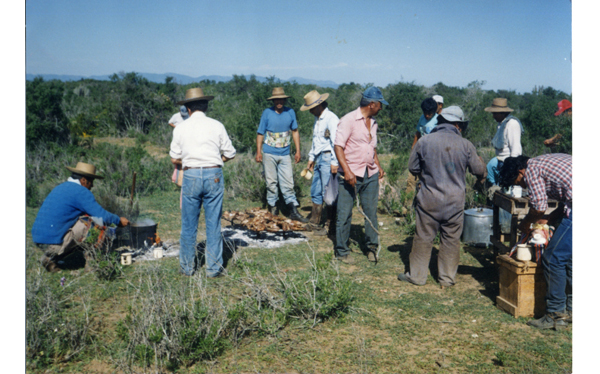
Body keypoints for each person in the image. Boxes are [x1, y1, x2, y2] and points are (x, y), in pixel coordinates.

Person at [397, 106, 486, 288]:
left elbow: (413, 168)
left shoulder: (424, 141)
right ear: (458, 125)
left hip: (429, 199)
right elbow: (479, 170)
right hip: (454, 202)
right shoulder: (466, 145)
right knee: (451, 240)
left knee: (423, 237)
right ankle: (446, 279)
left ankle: (418, 276)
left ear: (440, 122)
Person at [499, 154, 572, 330]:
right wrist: (548, 218)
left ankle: (555, 313)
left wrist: (526, 224)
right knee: (569, 259)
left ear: (520, 171)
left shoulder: (532, 170)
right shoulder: (544, 162)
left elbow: (538, 206)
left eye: (518, 182)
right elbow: (564, 200)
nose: (522, 186)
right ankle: (571, 310)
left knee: (552, 259)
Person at [170, 87, 236, 277]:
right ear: (205, 106)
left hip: (190, 175)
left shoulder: (181, 128)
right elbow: (230, 153)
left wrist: (192, 160)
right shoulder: (216, 125)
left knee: (188, 224)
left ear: (188, 108)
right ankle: (213, 269)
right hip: (213, 174)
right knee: (213, 223)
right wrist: (215, 162)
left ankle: (187, 268)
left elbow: (174, 158)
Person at [31, 162, 130, 272]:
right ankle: (93, 264)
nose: (92, 185)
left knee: (82, 222)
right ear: (83, 180)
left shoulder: (61, 187)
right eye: (91, 181)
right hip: (53, 243)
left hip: (39, 241)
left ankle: (50, 258)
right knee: (94, 223)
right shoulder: (81, 191)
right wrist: (118, 220)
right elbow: (102, 216)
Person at [334, 86, 388, 264]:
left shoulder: (373, 123)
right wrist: (348, 172)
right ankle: (342, 250)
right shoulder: (348, 120)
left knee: (371, 212)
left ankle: (371, 248)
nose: (381, 108)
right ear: (372, 104)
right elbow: (338, 147)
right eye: (380, 104)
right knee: (344, 212)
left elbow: (371, 149)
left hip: (369, 174)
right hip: (350, 175)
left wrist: (378, 166)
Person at [255, 87, 307, 223]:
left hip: (285, 154)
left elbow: (295, 131)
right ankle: (273, 209)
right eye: (276, 99)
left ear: (284, 99)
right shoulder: (267, 113)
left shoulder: (290, 112)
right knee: (271, 182)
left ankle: (293, 210)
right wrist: (258, 151)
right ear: (273, 100)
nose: (279, 102)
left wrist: (298, 150)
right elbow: (260, 132)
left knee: (288, 183)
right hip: (269, 153)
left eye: (281, 99)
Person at [301, 90, 340, 235]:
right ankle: (314, 221)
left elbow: (336, 142)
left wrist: (335, 162)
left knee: (328, 192)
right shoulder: (317, 120)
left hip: (328, 158)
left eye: (311, 108)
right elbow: (315, 141)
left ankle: (331, 225)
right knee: (316, 190)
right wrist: (311, 159)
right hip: (318, 158)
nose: (310, 111)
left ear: (319, 105)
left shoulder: (331, 119)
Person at [484, 98, 523, 186]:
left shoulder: (512, 124)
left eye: (495, 113)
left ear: (502, 113)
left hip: (508, 163)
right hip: (500, 161)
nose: (493, 116)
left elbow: (516, 149)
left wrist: (511, 170)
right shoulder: (501, 124)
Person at [406, 98, 440, 197]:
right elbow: (418, 132)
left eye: (429, 113)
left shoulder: (438, 120)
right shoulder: (422, 118)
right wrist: (413, 147)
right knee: (411, 178)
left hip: (432, 154)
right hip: (420, 151)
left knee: (427, 180)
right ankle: (407, 207)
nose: (426, 115)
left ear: (434, 111)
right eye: (425, 112)